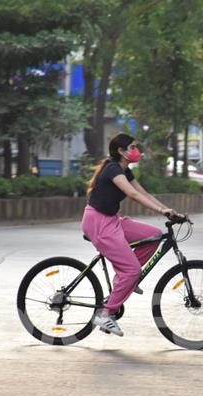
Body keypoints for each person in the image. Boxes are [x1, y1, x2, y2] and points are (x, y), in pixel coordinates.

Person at [82, 133, 179, 336]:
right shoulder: (113, 169)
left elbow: (144, 193)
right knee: (132, 270)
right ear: (121, 151)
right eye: (133, 147)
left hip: (112, 220)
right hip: (98, 223)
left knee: (154, 235)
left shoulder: (126, 171)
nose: (137, 151)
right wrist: (162, 212)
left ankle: (125, 280)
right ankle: (106, 314)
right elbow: (134, 196)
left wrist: (169, 210)